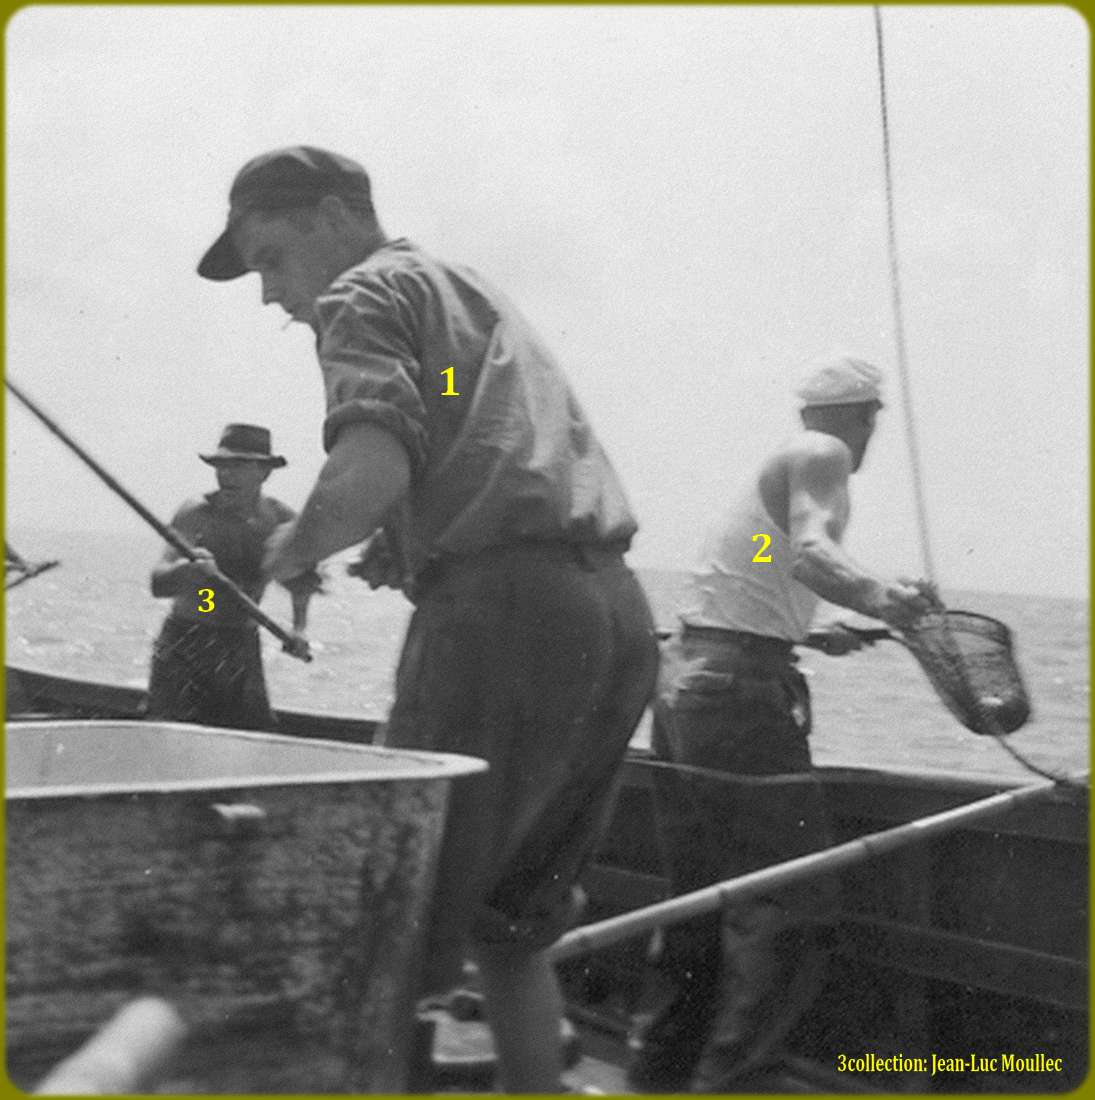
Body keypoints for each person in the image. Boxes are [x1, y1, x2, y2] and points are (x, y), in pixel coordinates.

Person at [196, 146, 659, 1092]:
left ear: (335, 215)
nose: (270, 293)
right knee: (513, 929)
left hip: (502, 620)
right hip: (613, 616)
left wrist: (294, 548)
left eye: (272, 258)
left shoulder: (359, 294)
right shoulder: (465, 288)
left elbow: (369, 466)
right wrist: (405, 533)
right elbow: (481, 433)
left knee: (390, 921)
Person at [628, 356, 936, 1092]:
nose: (871, 432)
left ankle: (654, 1075)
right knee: (792, 903)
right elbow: (813, 553)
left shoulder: (778, 466)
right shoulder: (825, 454)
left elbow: (764, 568)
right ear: (862, 415)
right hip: (737, 698)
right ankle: (729, 1086)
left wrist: (814, 628)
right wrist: (883, 599)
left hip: (686, 688)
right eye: (872, 418)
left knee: (699, 899)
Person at [147, 423, 319, 730]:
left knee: (251, 738)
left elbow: (301, 582)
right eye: (221, 466)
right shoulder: (197, 513)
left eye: (237, 466)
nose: (225, 475)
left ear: (264, 472)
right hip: (187, 640)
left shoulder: (280, 521)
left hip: (240, 646)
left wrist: (299, 629)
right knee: (172, 736)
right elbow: (158, 583)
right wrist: (187, 571)